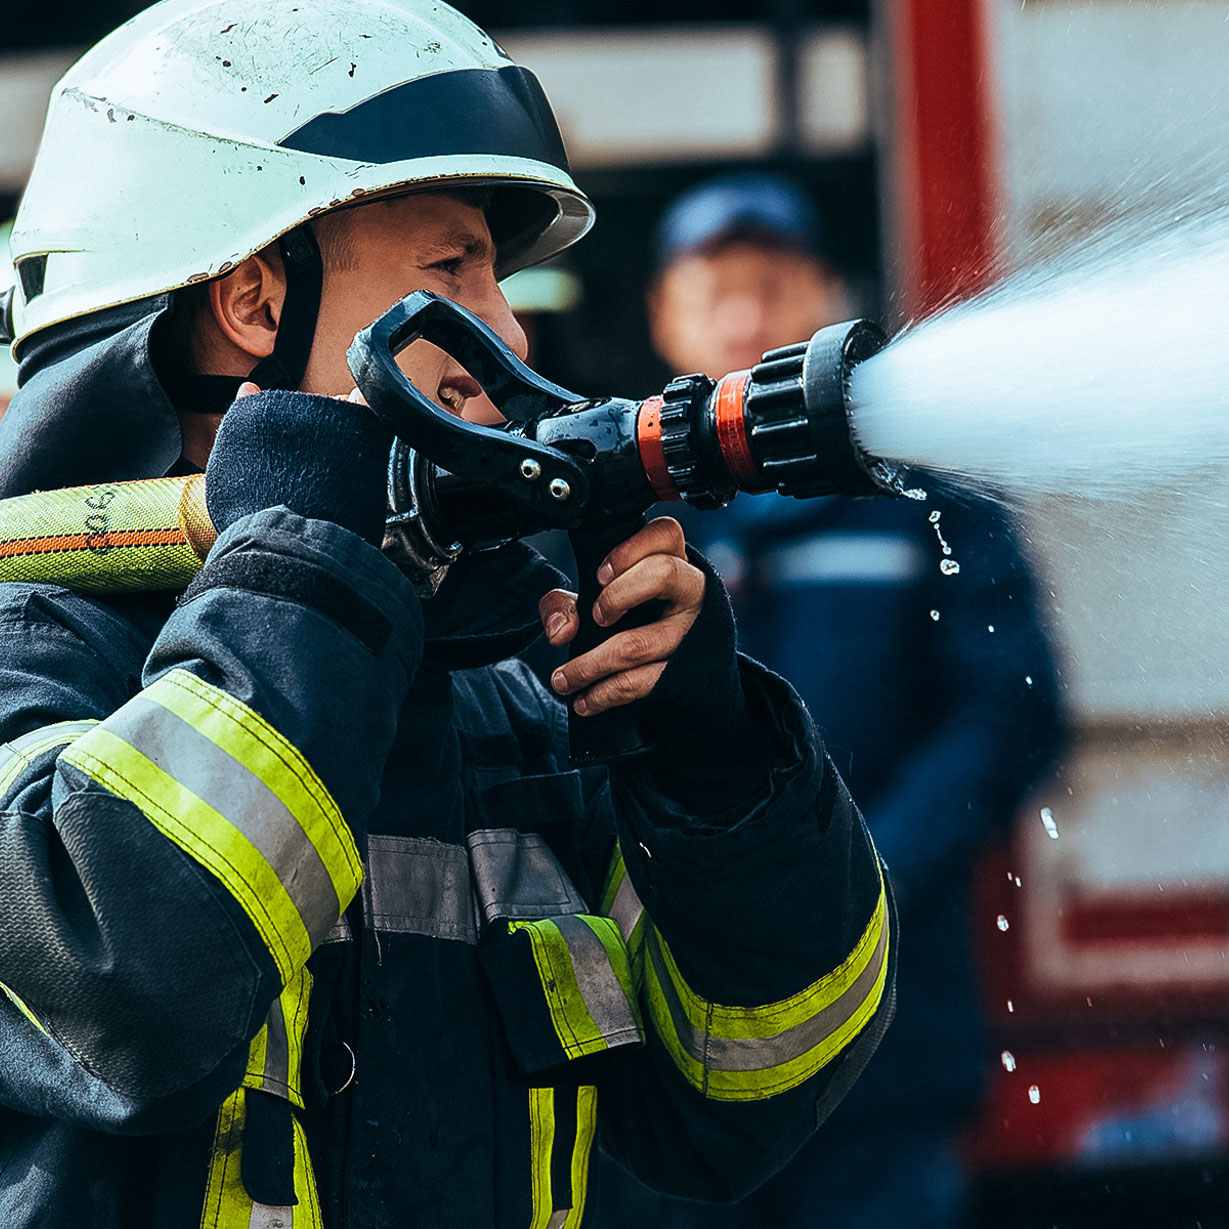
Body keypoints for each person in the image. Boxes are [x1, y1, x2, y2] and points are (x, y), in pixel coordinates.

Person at [0, 8, 895, 1228]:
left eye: (500, 279)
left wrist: (716, 774)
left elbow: (749, 1086)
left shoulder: (506, 690)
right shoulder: (34, 655)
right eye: (450, 274)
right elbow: (122, 986)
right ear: (257, 305)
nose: (510, 335)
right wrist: (312, 557)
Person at [640, 174, 1066, 1229]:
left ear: (829, 298)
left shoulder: (924, 500)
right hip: (665, 1065)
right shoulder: (620, 517)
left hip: (888, 1046)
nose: (745, 314)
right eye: (713, 288)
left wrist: (862, 878)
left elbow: (1011, 714)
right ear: (661, 317)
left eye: (774, 283)